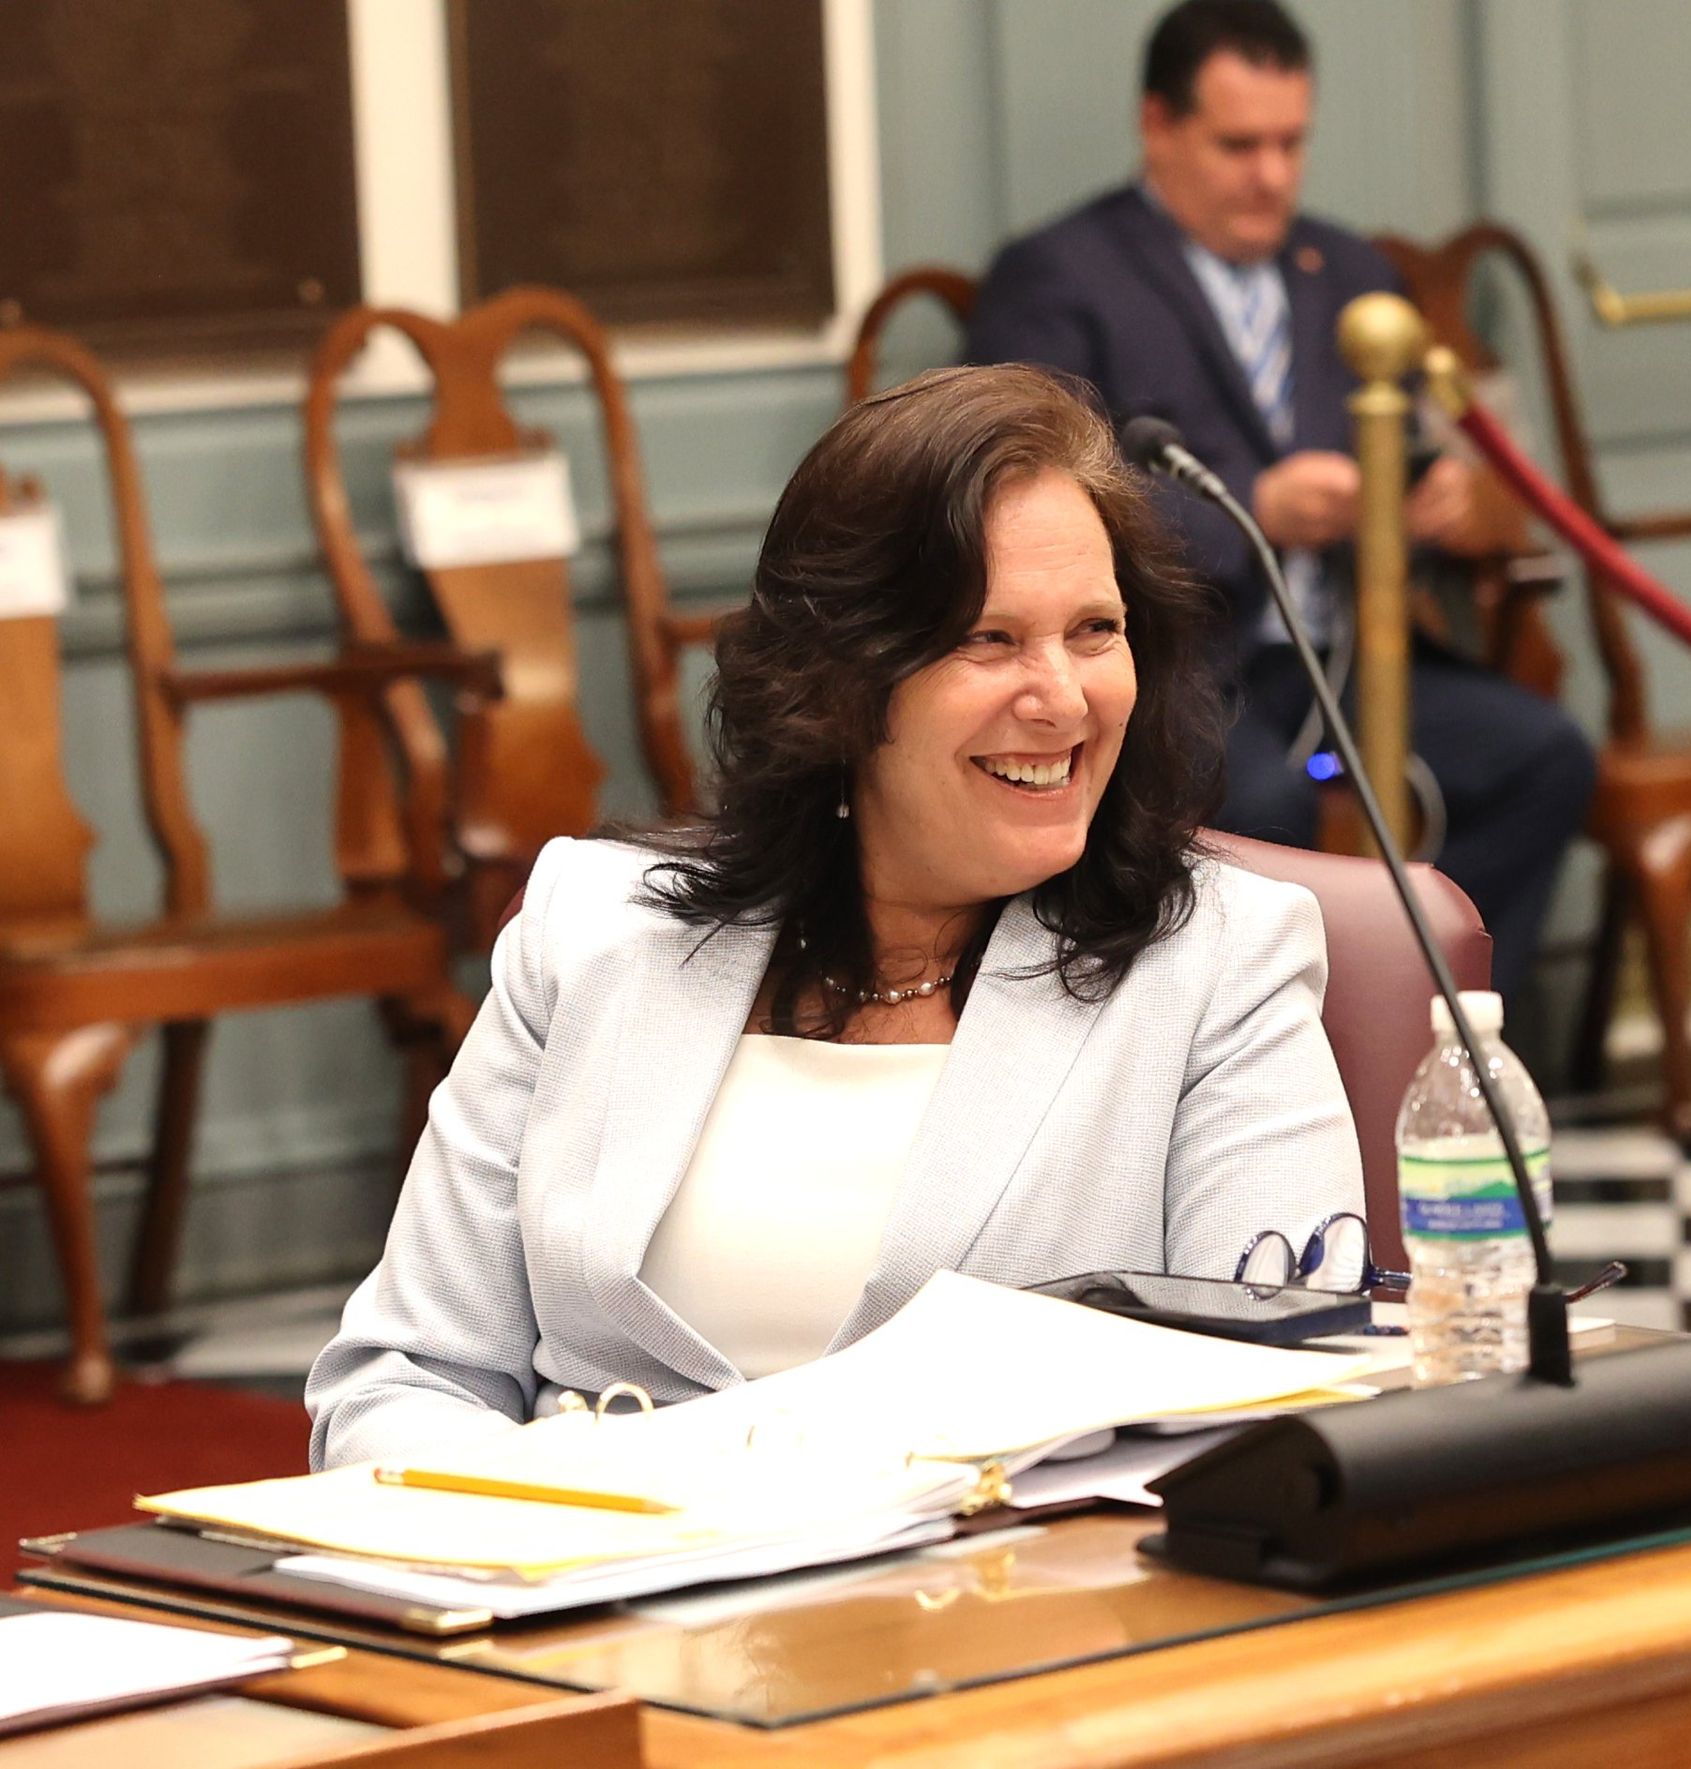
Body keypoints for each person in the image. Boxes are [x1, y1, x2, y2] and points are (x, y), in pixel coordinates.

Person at [307, 364, 1363, 1471]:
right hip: (585, 1604)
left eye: (1095, 629)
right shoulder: (592, 927)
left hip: (998, 1610)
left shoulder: (1222, 960)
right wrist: (548, 1542)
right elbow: (402, 1378)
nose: (1062, 695)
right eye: (990, 640)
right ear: (841, 685)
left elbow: (1265, 1411)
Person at [965, 0, 1594, 1003]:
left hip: (1361, 662)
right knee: (1259, 800)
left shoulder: (1351, 273)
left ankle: (1449, 1042)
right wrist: (1254, 509)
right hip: (1185, 671)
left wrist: (1453, 508)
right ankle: (1290, 1072)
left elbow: (1444, 460)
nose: (1271, 175)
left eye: (1291, 143)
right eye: (1238, 144)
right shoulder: (1061, 280)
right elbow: (1030, 511)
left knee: (1540, 755)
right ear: (1158, 127)